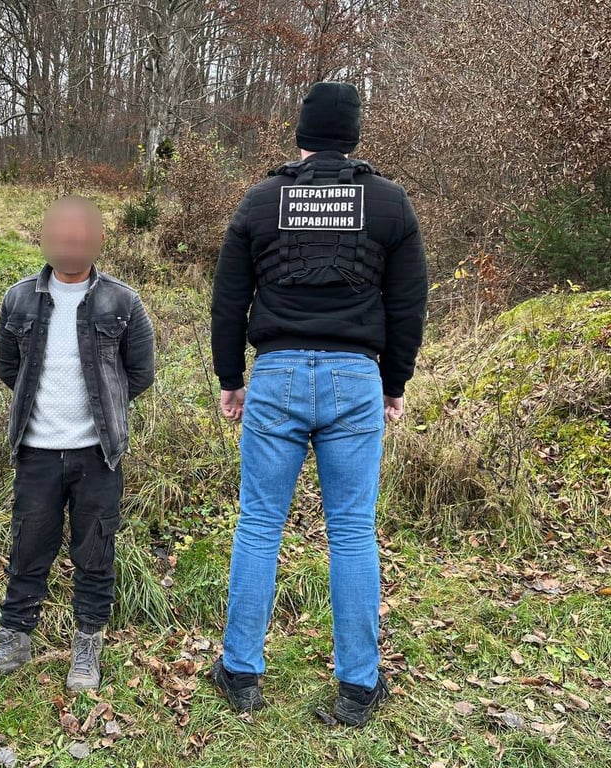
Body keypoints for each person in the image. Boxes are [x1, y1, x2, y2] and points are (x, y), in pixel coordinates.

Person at [208, 82, 428, 726]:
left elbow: (229, 299)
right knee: (352, 530)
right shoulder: (388, 202)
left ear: (301, 133)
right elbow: (407, 304)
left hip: (275, 374)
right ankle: (358, 686)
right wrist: (394, 383)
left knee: (259, 524)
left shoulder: (262, 199)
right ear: (354, 135)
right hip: (355, 378)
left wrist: (231, 377)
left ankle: (241, 673)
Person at [0, 196, 155, 691]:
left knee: (95, 553)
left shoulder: (123, 302)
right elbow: (10, 369)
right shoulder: (17, 299)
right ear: (45, 239)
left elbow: (139, 373)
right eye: (62, 235)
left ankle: (87, 648)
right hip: (36, 452)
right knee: (28, 548)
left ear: (99, 240)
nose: (71, 243)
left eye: (81, 235)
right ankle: (14, 641)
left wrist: (103, 408)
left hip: (98, 453)